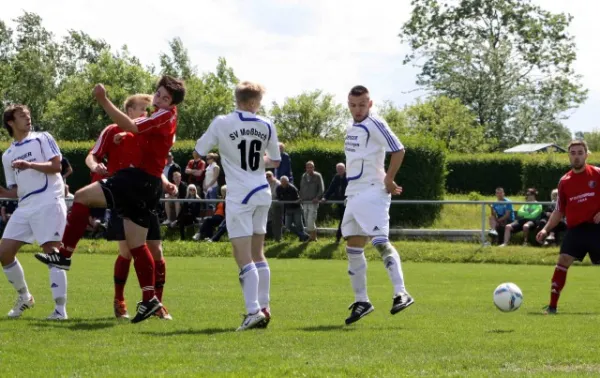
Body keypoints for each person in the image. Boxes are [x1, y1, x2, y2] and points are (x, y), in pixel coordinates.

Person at [34, 75, 185, 324]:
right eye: (158, 93)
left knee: (82, 196)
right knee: (137, 245)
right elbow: (139, 132)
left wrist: (104, 101)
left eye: (164, 98)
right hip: (146, 185)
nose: (158, 99)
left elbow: (134, 127)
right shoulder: (162, 115)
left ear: (172, 103)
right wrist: (126, 137)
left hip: (136, 179)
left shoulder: (163, 115)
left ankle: (65, 255)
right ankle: (150, 300)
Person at [195, 80, 281, 331]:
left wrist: (228, 152)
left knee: (242, 255)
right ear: (254, 102)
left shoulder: (222, 122)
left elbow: (199, 150)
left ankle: (253, 310)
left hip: (240, 195)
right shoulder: (267, 124)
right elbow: (274, 160)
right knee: (258, 253)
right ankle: (264, 307)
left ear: (238, 99)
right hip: (262, 192)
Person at [85, 93, 173, 320]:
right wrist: (97, 166)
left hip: (145, 196)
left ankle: (157, 304)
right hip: (121, 195)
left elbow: (154, 165)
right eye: (143, 109)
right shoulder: (112, 130)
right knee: (127, 251)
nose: (147, 113)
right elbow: (92, 156)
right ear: (129, 110)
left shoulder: (148, 131)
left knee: (157, 250)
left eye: (148, 109)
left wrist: (165, 182)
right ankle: (119, 300)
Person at [341, 85, 413, 325]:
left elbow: (398, 149)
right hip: (353, 194)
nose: (357, 109)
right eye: (353, 105)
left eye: (362, 105)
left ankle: (401, 292)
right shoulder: (352, 127)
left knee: (380, 242)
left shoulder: (376, 124)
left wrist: (389, 178)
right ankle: (362, 300)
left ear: (370, 104)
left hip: (373, 191)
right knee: (353, 246)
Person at [0, 104, 68, 320]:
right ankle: (25, 297)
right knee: (4, 253)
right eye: (22, 116)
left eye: (29, 115)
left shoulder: (43, 138)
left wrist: (29, 165)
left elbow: (57, 166)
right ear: (11, 122)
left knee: (52, 253)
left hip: (49, 201)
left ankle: (60, 310)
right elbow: (15, 191)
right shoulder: (7, 155)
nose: (28, 119)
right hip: (25, 206)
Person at [536, 140, 600, 315]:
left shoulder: (597, 174)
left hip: (597, 229)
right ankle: (552, 306)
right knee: (563, 260)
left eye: (580, 152)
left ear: (586, 154)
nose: (577, 156)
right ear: (569, 156)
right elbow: (558, 211)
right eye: (573, 153)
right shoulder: (564, 181)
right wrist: (545, 229)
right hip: (576, 230)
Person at [276, 176, 309, 242]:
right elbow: (279, 198)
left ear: (288, 182)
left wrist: (285, 199)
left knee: (299, 224)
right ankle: (304, 235)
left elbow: (295, 198)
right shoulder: (278, 188)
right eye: (282, 182)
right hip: (288, 209)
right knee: (287, 225)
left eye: (285, 182)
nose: (283, 183)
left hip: (296, 208)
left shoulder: (292, 188)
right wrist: (285, 200)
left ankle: (302, 238)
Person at [321, 163, 348, 243]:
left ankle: (338, 237)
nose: (339, 171)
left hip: (348, 202)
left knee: (344, 220)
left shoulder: (348, 177)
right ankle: (344, 236)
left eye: (341, 169)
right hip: (340, 203)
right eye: (338, 169)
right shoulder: (336, 177)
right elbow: (331, 188)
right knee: (343, 220)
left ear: (345, 169)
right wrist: (325, 197)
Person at [299, 161, 324, 242]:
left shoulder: (317, 176)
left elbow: (321, 188)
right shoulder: (304, 176)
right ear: (306, 168)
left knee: (311, 220)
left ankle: (313, 236)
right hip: (305, 202)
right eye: (308, 167)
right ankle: (313, 237)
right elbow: (301, 188)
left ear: (314, 168)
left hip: (313, 202)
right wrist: (301, 197)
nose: (309, 169)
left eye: (311, 167)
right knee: (307, 220)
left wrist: (317, 197)